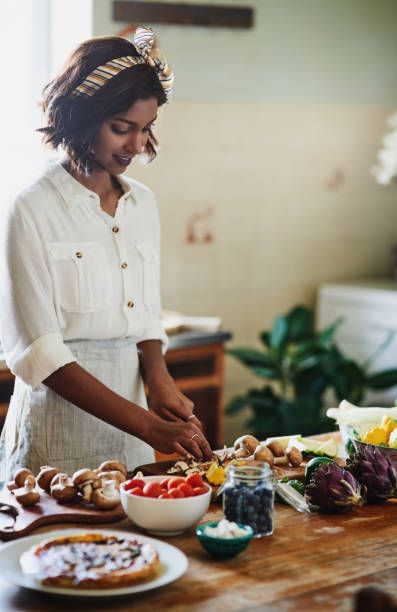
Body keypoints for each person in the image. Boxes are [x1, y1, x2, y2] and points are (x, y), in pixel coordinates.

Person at [0, 26, 212, 481]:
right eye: (121, 129)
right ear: (81, 117)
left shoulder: (142, 204)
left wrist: (158, 378)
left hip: (134, 432)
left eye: (146, 129)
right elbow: (40, 352)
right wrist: (148, 424)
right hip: (58, 431)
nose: (136, 146)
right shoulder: (31, 208)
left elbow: (146, 314)